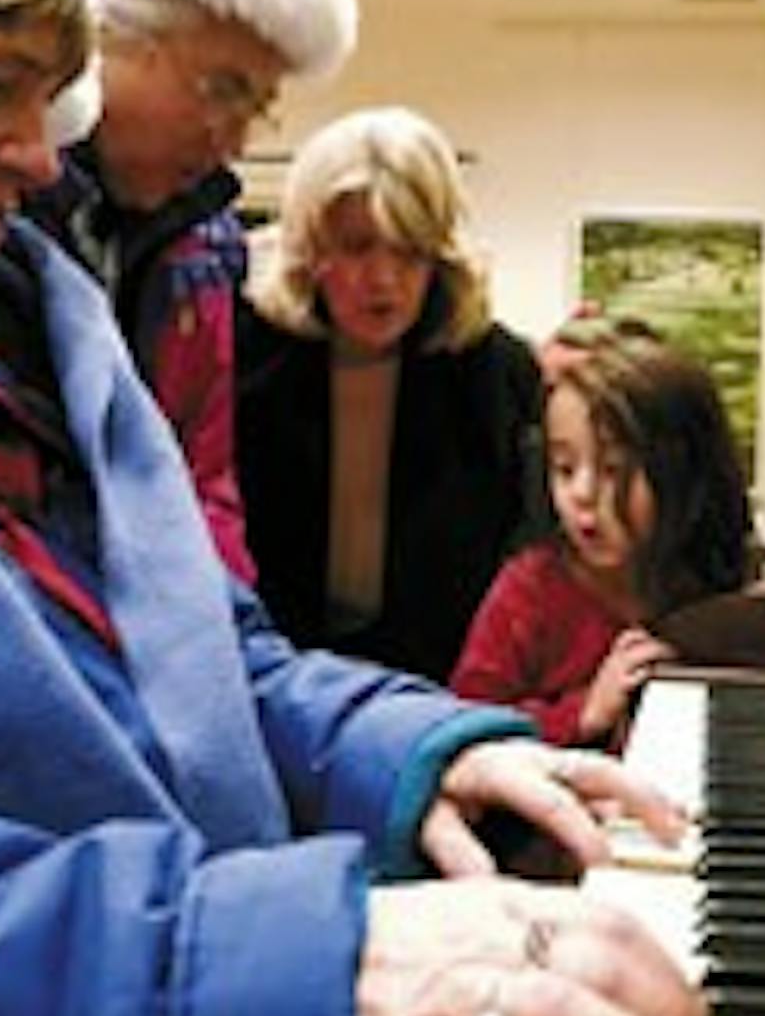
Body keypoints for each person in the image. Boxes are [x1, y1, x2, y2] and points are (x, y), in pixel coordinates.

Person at [0, 0, 703, 1016]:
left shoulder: (20, 337)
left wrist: (406, 752)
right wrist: (212, 972)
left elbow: (207, 658)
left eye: (50, 98)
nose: (43, 156)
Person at [27, 0, 358, 582]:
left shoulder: (206, 252)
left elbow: (203, 483)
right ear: (109, 40)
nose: (234, 140)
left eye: (256, 107)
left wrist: (223, 639)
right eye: (224, 89)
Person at [237, 105, 552, 682]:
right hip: (270, 680)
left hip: (437, 685)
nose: (382, 280)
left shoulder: (496, 373)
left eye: (407, 250)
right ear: (312, 248)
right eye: (357, 247)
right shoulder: (244, 356)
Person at [452, 317, 759, 747]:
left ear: (685, 475)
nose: (581, 493)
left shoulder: (717, 589)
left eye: (615, 470)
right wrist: (582, 713)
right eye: (564, 468)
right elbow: (462, 730)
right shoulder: (529, 592)